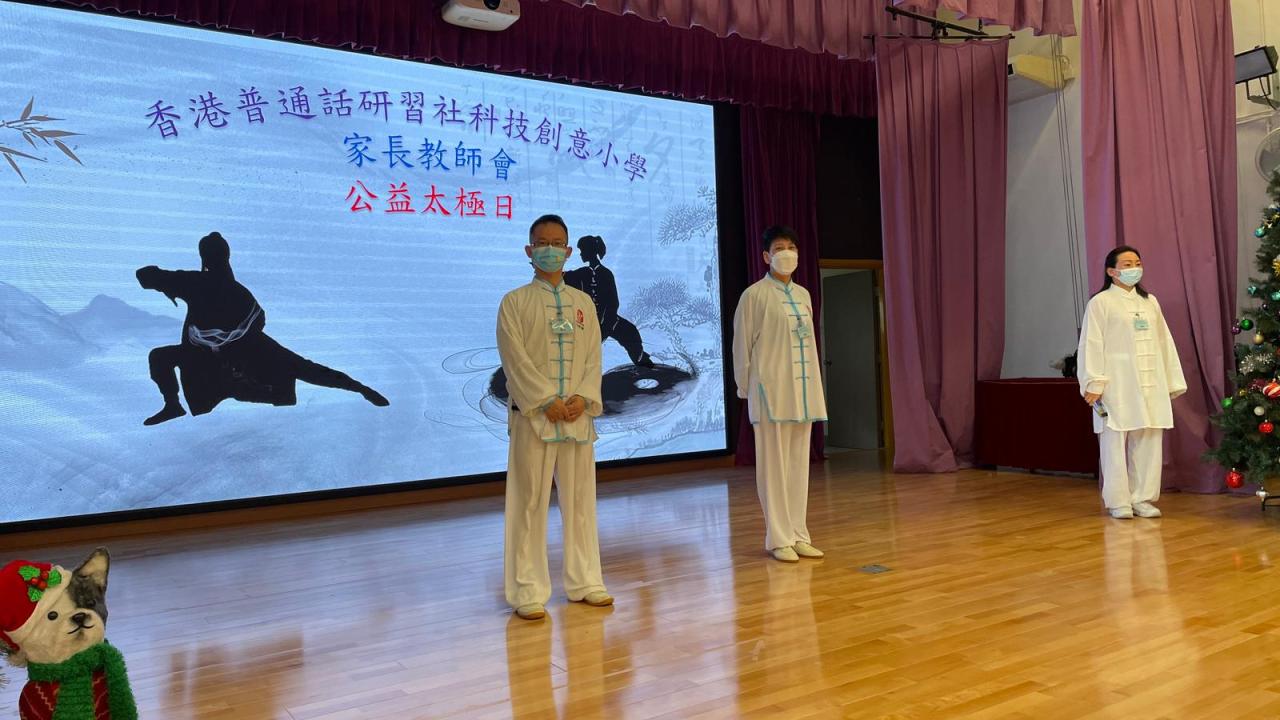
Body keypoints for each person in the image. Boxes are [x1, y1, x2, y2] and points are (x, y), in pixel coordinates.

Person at [137, 232, 388, 425]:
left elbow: (145, 275)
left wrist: (164, 280)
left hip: (232, 365)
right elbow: (306, 367)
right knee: (161, 357)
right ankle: (173, 405)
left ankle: (174, 404)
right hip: (208, 359)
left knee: (163, 357)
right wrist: (360, 388)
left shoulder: (196, 282)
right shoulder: (235, 293)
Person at [496, 214, 612, 620]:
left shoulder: (583, 304)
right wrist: (545, 400)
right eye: (542, 243)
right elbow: (514, 361)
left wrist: (584, 397)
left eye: (557, 243)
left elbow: (594, 356)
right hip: (534, 418)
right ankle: (527, 590)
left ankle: (586, 581)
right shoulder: (514, 302)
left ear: (567, 250)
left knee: (581, 503)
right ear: (529, 251)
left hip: (577, 417)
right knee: (528, 503)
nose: (550, 249)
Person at [732, 225, 828, 562]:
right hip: (770, 393)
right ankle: (779, 538)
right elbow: (741, 346)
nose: (786, 253)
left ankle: (799, 534)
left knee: (798, 467)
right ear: (766, 256)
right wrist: (745, 388)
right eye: (778, 248)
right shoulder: (754, 295)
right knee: (773, 468)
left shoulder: (804, 295)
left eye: (791, 247)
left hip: (803, 393)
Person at [1077, 245, 1186, 519]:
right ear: (1111, 271)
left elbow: (1164, 340)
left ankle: (1142, 498)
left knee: (1149, 437)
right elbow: (1091, 343)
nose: (1134, 268)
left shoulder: (1150, 302)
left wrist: (1171, 379)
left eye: (1137, 262)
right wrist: (1094, 382)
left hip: (1150, 380)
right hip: (1117, 382)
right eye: (1127, 264)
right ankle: (1119, 501)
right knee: (1114, 440)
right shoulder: (1101, 303)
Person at [564, 234, 654, 367]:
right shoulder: (580, 274)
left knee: (630, 332)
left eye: (582, 250)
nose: (581, 254)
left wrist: (605, 324)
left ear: (590, 251)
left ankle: (642, 362)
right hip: (585, 323)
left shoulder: (606, 274)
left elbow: (613, 302)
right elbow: (561, 278)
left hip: (607, 320)